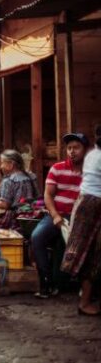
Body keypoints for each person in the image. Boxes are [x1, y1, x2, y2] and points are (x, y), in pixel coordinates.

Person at [32, 133, 88, 298]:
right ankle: (46, 283)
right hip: (57, 215)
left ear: (85, 150)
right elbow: (48, 195)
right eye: (69, 148)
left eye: (76, 147)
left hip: (80, 219)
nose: (72, 151)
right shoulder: (57, 168)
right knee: (37, 237)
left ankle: (83, 285)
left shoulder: (91, 172)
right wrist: (55, 215)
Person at [62, 126, 101, 315]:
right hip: (93, 206)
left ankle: (86, 300)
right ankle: (85, 302)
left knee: (89, 253)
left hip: (85, 203)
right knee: (90, 254)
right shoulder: (98, 156)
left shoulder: (93, 154)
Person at [0, 149, 39, 229]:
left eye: (2, 163)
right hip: (32, 217)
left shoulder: (8, 181)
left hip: (16, 219)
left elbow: (4, 205)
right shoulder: (31, 176)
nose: (1, 166)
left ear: (11, 164)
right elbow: (37, 196)